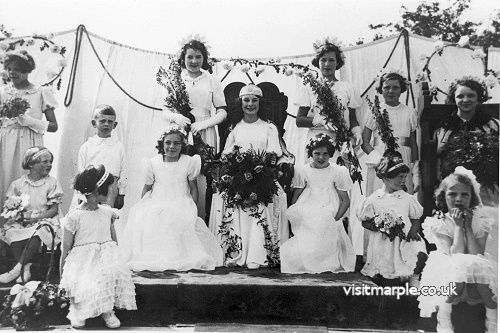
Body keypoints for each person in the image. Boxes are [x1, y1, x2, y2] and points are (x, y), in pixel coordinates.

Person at [121, 125, 223, 271]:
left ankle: (180, 256)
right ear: (162, 144)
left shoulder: (188, 162)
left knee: (177, 217)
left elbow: (193, 188)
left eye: (176, 143)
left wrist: (192, 206)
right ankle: (153, 255)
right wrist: (143, 205)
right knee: (148, 217)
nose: (172, 146)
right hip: (157, 200)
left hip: (180, 200)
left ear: (182, 145)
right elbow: (147, 187)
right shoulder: (153, 163)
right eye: (168, 143)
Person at [209, 84, 289, 269]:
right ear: (241, 102)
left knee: (270, 196)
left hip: (263, 176)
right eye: (246, 100)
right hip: (237, 177)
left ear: (260, 103)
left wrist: (260, 173)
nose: (250, 104)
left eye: (254, 100)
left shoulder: (269, 127)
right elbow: (226, 154)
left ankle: (259, 252)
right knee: (223, 197)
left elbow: (273, 154)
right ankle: (235, 251)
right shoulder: (235, 127)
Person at [418, 167, 497, 333]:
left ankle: (493, 322)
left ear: (472, 198)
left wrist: (468, 226)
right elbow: (455, 254)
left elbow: (477, 254)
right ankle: (444, 322)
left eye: (464, 194)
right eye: (452, 194)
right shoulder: (438, 221)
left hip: (475, 279)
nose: (458, 199)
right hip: (449, 274)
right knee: (459, 266)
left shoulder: (480, 221)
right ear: (443, 196)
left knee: (483, 269)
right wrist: (458, 227)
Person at [59, 165, 136, 329]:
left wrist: (115, 260)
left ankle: (107, 311)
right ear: (97, 189)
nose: (112, 190)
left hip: (105, 256)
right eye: (109, 187)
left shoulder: (108, 212)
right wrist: (63, 272)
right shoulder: (74, 217)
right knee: (81, 278)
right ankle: (78, 311)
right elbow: (65, 248)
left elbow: (114, 241)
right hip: (83, 260)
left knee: (107, 273)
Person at [162, 36, 227, 220]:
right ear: (183, 58)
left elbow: (222, 111)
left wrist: (204, 124)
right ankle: (179, 219)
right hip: (181, 132)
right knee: (180, 175)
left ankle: (203, 220)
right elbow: (164, 111)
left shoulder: (212, 79)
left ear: (204, 58)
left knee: (204, 178)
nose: (194, 61)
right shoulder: (175, 80)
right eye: (190, 57)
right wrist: (177, 117)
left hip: (205, 132)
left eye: (198, 57)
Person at [280, 134, 355, 274]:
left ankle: (325, 262)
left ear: (331, 154)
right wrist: (294, 213)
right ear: (310, 153)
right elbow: (296, 195)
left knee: (324, 216)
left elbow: (345, 200)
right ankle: (309, 261)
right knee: (310, 216)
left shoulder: (338, 171)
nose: (321, 158)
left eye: (326, 154)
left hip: (329, 203)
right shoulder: (303, 170)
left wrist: (336, 219)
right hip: (309, 201)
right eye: (317, 154)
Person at [0, 50, 58, 210]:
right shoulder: (3, 92)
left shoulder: (40, 92)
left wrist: (30, 121)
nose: (12, 73)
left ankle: (28, 220)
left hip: (30, 142)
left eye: (17, 69)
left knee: (25, 179)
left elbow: (54, 126)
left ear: (27, 70)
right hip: (6, 142)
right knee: (5, 179)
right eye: (9, 69)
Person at [358, 155, 427, 284]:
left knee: (418, 251)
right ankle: (384, 274)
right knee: (386, 263)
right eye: (400, 177)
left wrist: (413, 230)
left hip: (405, 236)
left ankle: (414, 276)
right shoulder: (374, 199)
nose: (404, 180)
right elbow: (364, 220)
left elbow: (416, 217)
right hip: (383, 239)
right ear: (386, 178)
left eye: (405, 177)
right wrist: (376, 225)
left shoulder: (407, 198)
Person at [0, 147, 62, 283]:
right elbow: (11, 205)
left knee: (37, 232)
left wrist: (34, 218)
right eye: (45, 161)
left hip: (44, 219)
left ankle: (15, 270)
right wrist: (18, 215)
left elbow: (54, 210)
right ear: (31, 164)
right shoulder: (18, 184)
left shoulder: (51, 183)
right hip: (24, 220)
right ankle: (25, 267)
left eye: (50, 161)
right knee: (10, 231)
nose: (49, 165)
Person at [296, 37, 363, 162]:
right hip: (316, 141)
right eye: (323, 60)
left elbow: (352, 118)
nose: (327, 64)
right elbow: (299, 120)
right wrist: (320, 120)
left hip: (340, 141)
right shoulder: (309, 88)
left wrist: (356, 132)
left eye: (331, 60)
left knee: (338, 177)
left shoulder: (348, 88)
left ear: (338, 63)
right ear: (318, 62)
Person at [435, 76, 499, 205]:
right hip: (455, 185)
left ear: (478, 98)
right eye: (460, 96)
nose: (466, 100)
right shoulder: (445, 128)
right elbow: (438, 155)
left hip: (486, 183)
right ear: (454, 98)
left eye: (471, 96)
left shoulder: (491, 124)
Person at [362, 70, 419, 195]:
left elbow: (413, 143)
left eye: (395, 87)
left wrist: (415, 168)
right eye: (387, 87)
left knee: (401, 195)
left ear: (402, 89)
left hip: (403, 157)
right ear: (381, 89)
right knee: (380, 195)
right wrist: (379, 160)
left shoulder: (410, 112)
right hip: (381, 157)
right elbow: (365, 142)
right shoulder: (375, 111)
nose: (391, 91)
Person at [76, 105, 127, 208]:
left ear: (115, 125)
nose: (106, 124)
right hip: (90, 188)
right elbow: (81, 172)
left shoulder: (119, 147)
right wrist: (80, 194)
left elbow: (124, 170)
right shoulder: (86, 147)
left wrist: (121, 194)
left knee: (107, 216)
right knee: (88, 215)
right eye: (103, 121)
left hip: (110, 188)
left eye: (110, 122)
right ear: (94, 123)